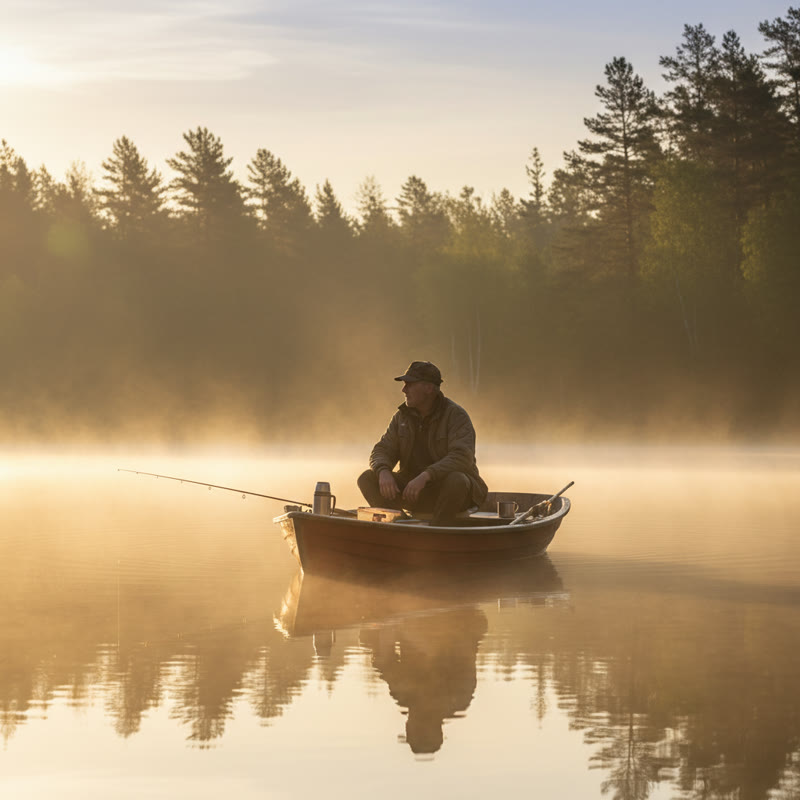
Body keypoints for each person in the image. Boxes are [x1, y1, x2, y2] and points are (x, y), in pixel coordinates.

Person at [357, 361, 488, 526]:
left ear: (429, 388)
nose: (404, 390)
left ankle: (438, 531)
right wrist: (383, 470)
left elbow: (462, 457)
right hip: (413, 492)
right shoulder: (401, 417)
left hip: (451, 494)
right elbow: (382, 449)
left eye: (409, 384)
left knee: (458, 480)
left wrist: (425, 476)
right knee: (367, 478)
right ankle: (400, 525)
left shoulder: (456, 416)